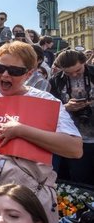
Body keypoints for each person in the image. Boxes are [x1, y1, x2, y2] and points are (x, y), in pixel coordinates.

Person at [0, 41, 82, 222]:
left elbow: (75, 148)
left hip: (26, 199)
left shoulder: (45, 102)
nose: (5, 74)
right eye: (0, 68)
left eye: (14, 71)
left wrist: (22, 131)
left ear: (29, 74)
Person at [49, 49, 94, 186]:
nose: (74, 75)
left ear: (84, 62)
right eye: (68, 73)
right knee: (80, 180)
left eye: (78, 70)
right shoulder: (56, 81)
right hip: (75, 138)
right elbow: (51, 110)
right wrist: (66, 107)